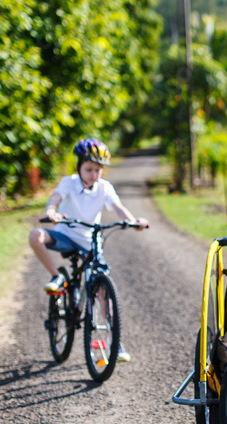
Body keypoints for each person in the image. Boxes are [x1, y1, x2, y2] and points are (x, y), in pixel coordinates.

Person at [28, 138, 149, 362]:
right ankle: (57, 277)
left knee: (104, 291)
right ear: (79, 167)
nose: (94, 174)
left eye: (98, 170)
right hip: (65, 236)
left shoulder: (105, 188)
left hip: (90, 241)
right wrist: (52, 211)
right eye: (89, 169)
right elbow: (54, 200)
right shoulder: (68, 183)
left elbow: (117, 208)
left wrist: (133, 221)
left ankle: (116, 342)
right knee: (36, 236)